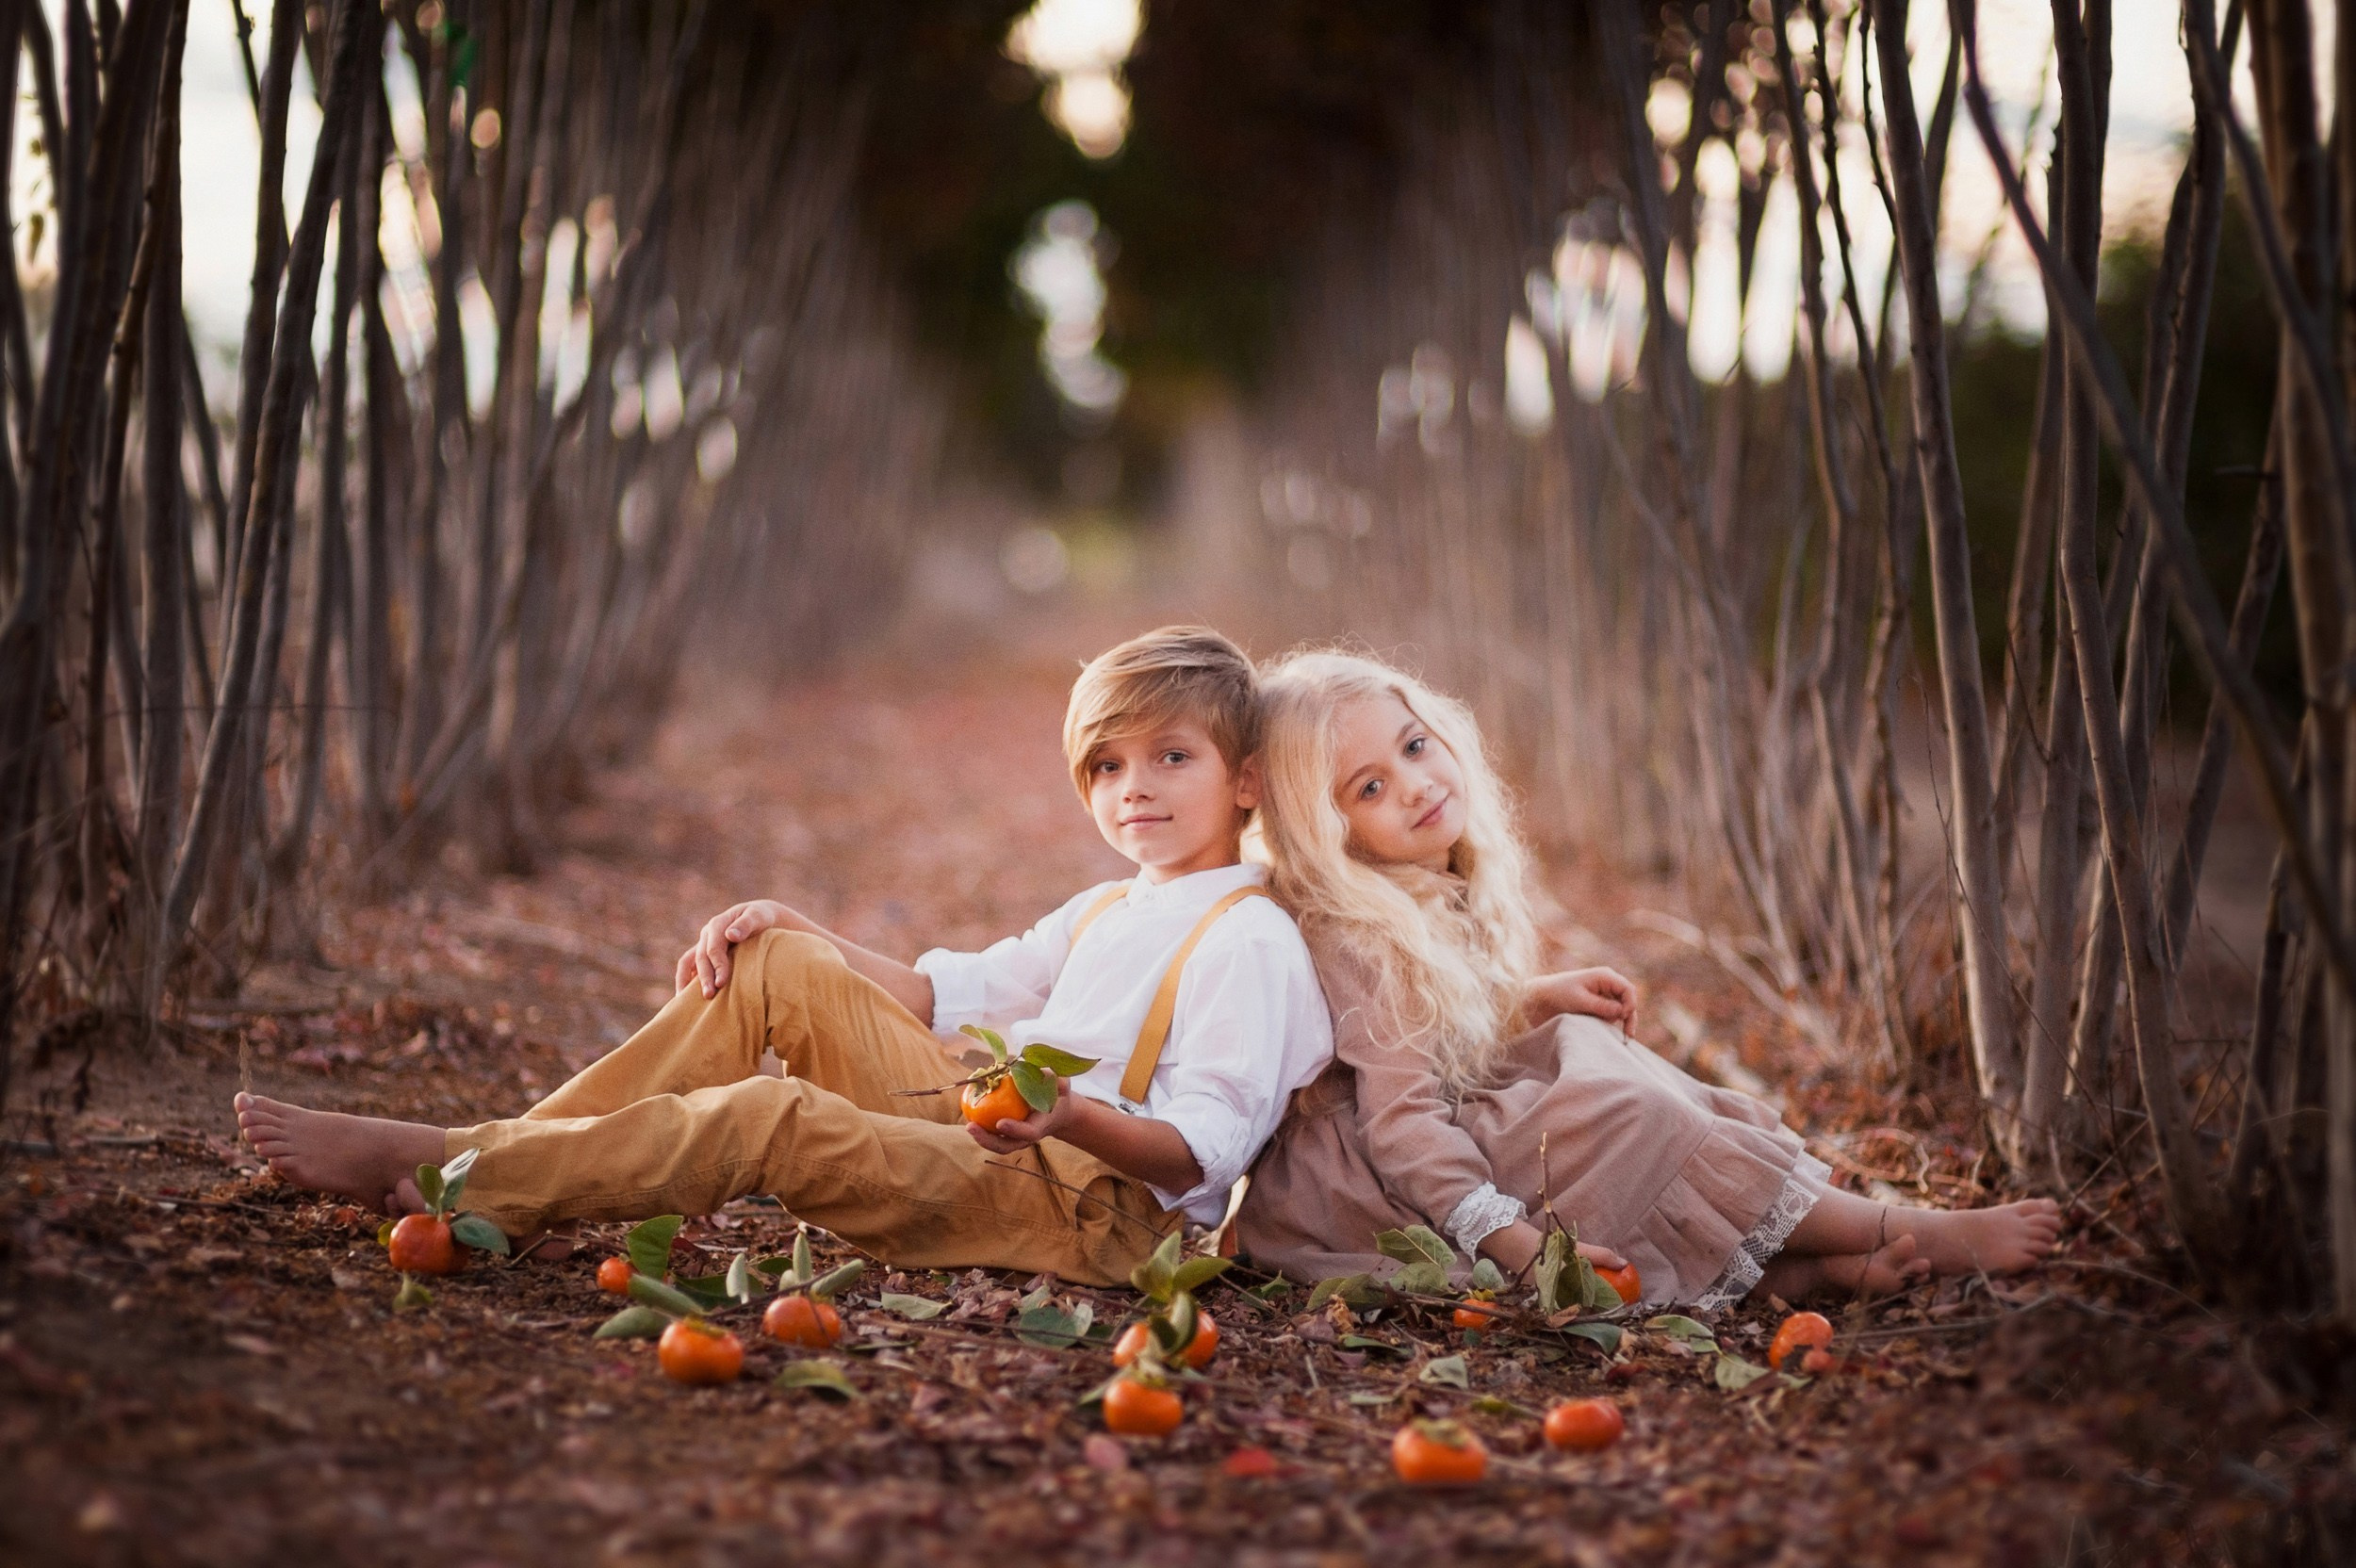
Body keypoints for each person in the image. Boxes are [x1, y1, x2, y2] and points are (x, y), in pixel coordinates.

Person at [235, 627, 1333, 1287]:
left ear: (1243, 780)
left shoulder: (1246, 939)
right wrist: (793, 923)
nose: (1132, 787)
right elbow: (939, 991)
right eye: (1106, 766)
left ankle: (457, 1171)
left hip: (1094, 1214)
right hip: (995, 1126)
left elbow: (1206, 1151)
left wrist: (1067, 1117)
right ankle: (499, 1160)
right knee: (771, 966)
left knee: (772, 1118)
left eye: (1170, 757)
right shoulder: (1109, 906)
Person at [1235, 650, 2062, 1307]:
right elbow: (1401, 1123)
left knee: (1584, 1048)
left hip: (1420, 1128)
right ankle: (1896, 1224)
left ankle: (1801, 1275)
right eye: (1370, 787)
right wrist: (1513, 1245)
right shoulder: (1360, 933)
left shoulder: (1412, 887)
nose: (1414, 784)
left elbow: (1426, 1028)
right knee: (1621, 1112)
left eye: (1414, 746)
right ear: (1329, 834)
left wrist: (1533, 997)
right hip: (1365, 1186)